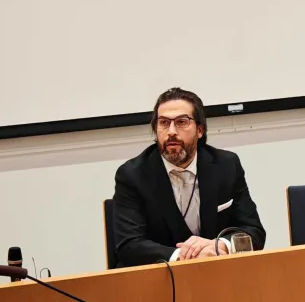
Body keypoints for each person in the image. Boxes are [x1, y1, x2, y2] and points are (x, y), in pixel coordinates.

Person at [112, 87, 266, 267]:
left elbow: (253, 231)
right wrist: (186, 256)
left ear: (200, 130)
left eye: (181, 122)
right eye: (163, 123)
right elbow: (129, 245)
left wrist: (220, 246)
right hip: (159, 277)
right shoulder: (132, 175)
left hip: (217, 273)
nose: (171, 131)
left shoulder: (226, 166)